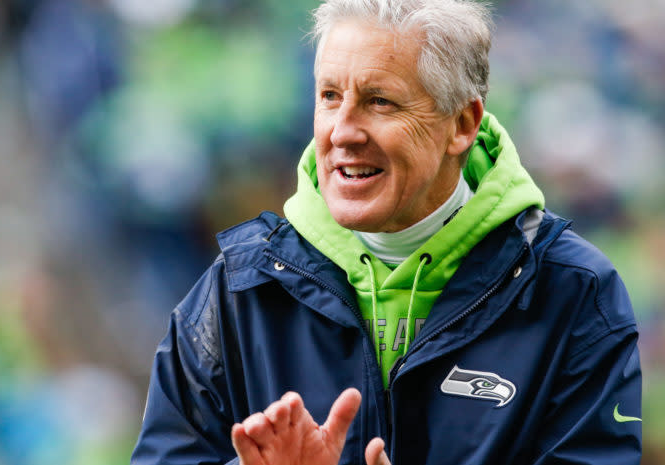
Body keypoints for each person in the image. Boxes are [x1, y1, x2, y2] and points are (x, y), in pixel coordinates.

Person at [130, 0, 643, 463]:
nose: (343, 131)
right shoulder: (237, 290)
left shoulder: (575, 292)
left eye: (380, 102)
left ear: (461, 125)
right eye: (330, 96)